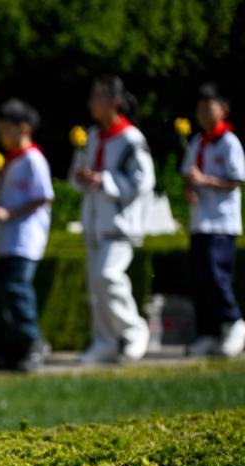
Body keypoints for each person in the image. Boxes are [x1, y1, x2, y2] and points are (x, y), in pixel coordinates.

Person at [69, 75, 154, 364]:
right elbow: (78, 175)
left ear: (114, 101)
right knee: (96, 287)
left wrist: (105, 180)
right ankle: (104, 341)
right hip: (94, 222)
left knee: (109, 277)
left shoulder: (131, 139)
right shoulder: (92, 136)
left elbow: (143, 181)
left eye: (98, 96)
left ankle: (134, 330)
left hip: (119, 223)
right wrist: (82, 176)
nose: (92, 103)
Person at [0, 98, 54, 371]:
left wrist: (10, 213)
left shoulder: (33, 159)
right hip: (7, 239)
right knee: (8, 294)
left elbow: (43, 196)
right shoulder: (11, 160)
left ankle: (34, 343)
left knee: (18, 290)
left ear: (23, 128)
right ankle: (15, 350)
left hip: (25, 238)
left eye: (6, 128)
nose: (2, 135)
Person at [182, 82, 245, 357]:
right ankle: (208, 332)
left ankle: (234, 322)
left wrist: (204, 180)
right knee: (200, 279)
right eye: (200, 108)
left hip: (222, 222)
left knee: (216, 275)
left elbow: (236, 179)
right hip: (200, 221)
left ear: (223, 110)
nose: (203, 113)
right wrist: (189, 188)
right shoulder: (197, 142)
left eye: (209, 107)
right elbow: (188, 177)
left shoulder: (229, 143)